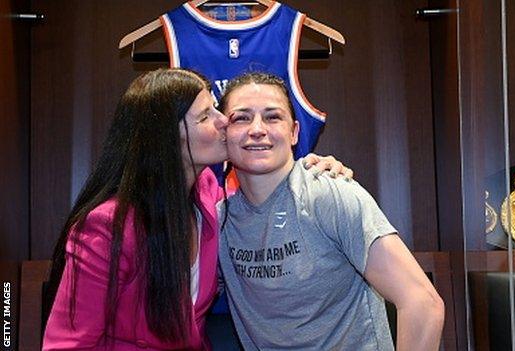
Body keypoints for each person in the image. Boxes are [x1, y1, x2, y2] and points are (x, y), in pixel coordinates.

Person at [42, 68, 349, 350]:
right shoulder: (108, 226)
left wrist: (318, 171)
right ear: (167, 137)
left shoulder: (207, 192)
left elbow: (265, 195)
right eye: (205, 116)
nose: (223, 120)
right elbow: (67, 345)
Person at [218, 72, 445, 351]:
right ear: (223, 133)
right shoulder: (220, 222)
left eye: (272, 117)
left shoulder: (329, 194)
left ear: (294, 133)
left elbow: (422, 302)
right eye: (241, 118)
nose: (257, 129)